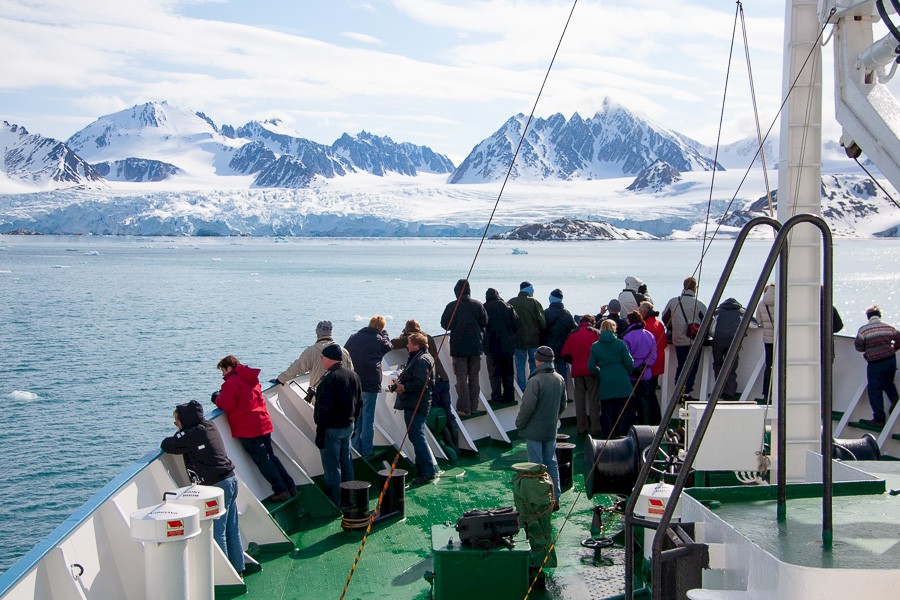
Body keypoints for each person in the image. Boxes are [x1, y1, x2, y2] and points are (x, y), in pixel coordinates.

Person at [161, 399, 244, 573]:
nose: (176, 425)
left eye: (176, 422)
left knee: (217, 532)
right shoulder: (209, 425)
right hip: (230, 480)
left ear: (184, 420)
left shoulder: (192, 435)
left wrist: (180, 433)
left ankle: (224, 576)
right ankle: (238, 568)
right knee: (232, 528)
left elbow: (168, 445)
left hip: (216, 487)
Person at [214, 355, 296, 502]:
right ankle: (290, 485)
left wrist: (216, 399)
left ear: (229, 367)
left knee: (263, 461)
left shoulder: (231, 383)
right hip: (262, 423)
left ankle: (281, 490)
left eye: (223, 371)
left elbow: (227, 405)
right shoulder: (251, 378)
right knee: (271, 456)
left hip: (248, 428)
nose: (223, 375)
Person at [392, 320, 460, 456]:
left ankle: (447, 447)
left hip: (432, 382)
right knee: (447, 413)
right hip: (442, 378)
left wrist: (403, 336)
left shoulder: (414, 339)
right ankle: (456, 448)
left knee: (436, 415)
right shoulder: (427, 337)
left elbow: (393, 343)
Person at [515, 346, 567, 509]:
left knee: (535, 465)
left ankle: (540, 499)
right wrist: (553, 419)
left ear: (538, 360)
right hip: (551, 429)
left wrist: (519, 423)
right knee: (551, 462)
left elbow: (527, 407)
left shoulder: (535, 380)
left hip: (534, 431)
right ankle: (555, 497)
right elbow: (563, 404)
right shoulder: (559, 379)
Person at [314, 343, 362, 504]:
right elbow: (359, 402)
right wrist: (354, 422)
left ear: (329, 359)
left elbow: (324, 410)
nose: (321, 360)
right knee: (346, 461)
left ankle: (335, 499)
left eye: (323, 358)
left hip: (331, 429)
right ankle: (350, 495)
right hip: (348, 426)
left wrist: (320, 433)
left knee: (332, 465)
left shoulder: (329, 380)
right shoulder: (353, 375)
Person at [344, 316, 392, 457]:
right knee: (368, 417)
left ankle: (355, 449)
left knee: (356, 417)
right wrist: (385, 334)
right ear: (380, 328)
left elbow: (345, 353)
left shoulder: (354, 337)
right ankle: (367, 450)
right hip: (370, 382)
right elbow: (389, 346)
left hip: (355, 382)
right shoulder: (379, 339)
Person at [394, 332, 438, 484]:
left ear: (416, 345)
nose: (407, 345)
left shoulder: (420, 360)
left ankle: (427, 470)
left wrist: (404, 387)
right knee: (416, 436)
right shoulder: (425, 357)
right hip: (418, 403)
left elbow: (421, 384)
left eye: (409, 343)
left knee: (417, 436)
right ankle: (423, 468)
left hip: (416, 404)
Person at [440, 279, 488, 416]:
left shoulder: (452, 306)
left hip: (458, 348)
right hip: (475, 348)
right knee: (474, 379)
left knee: (461, 379)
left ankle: (463, 408)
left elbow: (445, 324)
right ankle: (473, 406)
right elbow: (485, 322)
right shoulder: (478, 305)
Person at [274, 320, 353, 394]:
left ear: (317, 333)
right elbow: (351, 373)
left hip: (320, 396)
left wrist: (281, 379)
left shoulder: (311, 351)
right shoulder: (344, 351)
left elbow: (297, 367)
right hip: (342, 396)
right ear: (331, 333)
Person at [661, 277, 708, 400]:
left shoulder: (673, 302)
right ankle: (686, 393)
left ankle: (678, 392)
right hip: (694, 340)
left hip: (678, 339)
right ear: (695, 288)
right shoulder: (699, 303)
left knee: (681, 365)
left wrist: (672, 328)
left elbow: (665, 317)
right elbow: (708, 321)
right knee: (692, 366)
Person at [854, 305, 900, 427]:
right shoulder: (889, 327)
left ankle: (879, 419)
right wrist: (893, 349)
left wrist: (868, 350)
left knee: (874, 390)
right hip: (890, 360)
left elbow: (858, 346)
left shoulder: (864, 330)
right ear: (879, 315)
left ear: (868, 317)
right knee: (888, 383)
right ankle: (895, 399)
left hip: (875, 363)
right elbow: (899, 339)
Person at [588, 320, 635, 438]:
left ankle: (608, 438)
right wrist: (626, 372)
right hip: (622, 380)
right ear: (613, 328)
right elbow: (629, 362)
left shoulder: (596, 346)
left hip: (606, 381)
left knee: (607, 412)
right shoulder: (620, 343)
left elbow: (591, 366)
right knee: (622, 412)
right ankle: (622, 437)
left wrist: (600, 373)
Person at [560, 314, 601, 435]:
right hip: (592, 370)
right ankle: (595, 427)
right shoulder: (596, 333)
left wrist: (574, 362)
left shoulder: (572, 334)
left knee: (579, 400)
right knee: (594, 400)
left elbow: (564, 353)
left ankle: (581, 427)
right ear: (591, 322)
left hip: (577, 371)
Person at [508, 281, 546, 391]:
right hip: (533, 339)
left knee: (520, 366)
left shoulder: (511, 302)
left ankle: (522, 389)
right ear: (529, 290)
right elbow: (542, 323)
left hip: (518, 341)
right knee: (534, 365)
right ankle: (533, 387)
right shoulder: (534, 302)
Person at [484, 288, 519, 404]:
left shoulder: (484, 307)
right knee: (508, 372)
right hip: (507, 345)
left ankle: (497, 398)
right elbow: (516, 324)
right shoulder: (508, 307)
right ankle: (509, 397)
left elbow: (481, 324)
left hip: (492, 346)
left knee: (494, 374)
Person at [622, 311, 658, 424]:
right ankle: (645, 427)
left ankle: (631, 428)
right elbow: (653, 354)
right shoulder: (649, 334)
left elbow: (626, 357)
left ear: (630, 321)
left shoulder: (627, 336)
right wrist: (644, 366)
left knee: (631, 405)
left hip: (631, 375)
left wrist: (633, 369)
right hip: (645, 373)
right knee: (644, 404)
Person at [710, 298, 746, 400]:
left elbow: (711, 328)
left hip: (718, 341)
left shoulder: (717, 311)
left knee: (717, 364)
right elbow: (754, 324)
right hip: (733, 342)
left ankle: (719, 391)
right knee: (731, 366)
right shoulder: (742, 311)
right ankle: (730, 393)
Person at [543, 288, 577, 394]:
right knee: (562, 370)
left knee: (550, 370)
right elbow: (574, 329)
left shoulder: (546, 313)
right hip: (563, 347)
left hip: (549, 347)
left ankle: (552, 393)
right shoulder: (567, 314)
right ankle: (563, 392)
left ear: (551, 299)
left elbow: (541, 328)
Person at [638, 301, 667, 425]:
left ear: (643, 312)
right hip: (659, 363)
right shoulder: (658, 324)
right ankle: (656, 419)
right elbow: (664, 343)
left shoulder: (646, 326)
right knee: (651, 393)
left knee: (646, 394)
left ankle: (649, 421)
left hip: (650, 365)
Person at [756, 283, 776, 401]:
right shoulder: (782, 300)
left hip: (768, 339)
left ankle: (766, 394)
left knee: (769, 365)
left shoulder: (762, 304)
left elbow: (759, 320)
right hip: (781, 339)